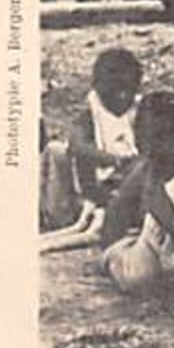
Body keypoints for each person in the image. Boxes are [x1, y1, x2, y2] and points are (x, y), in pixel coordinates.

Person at [98, 91, 174, 299]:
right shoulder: (150, 172)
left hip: (146, 255)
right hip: (127, 261)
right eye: (170, 137)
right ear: (150, 141)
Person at [39, 48, 143, 235]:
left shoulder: (140, 112)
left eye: (127, 90)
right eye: (115, 91)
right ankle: (58, 217)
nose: (122, 97)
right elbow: (77, 145)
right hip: (89, 190)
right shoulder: (91, 114)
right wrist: (115, 160)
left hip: (126, 188)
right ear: (100, 88)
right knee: (56, 151)